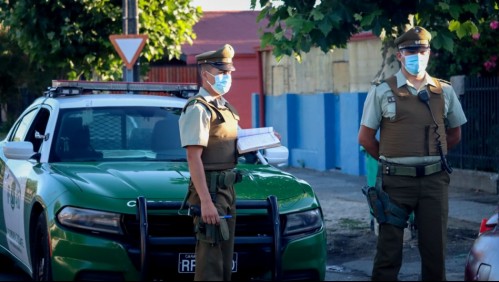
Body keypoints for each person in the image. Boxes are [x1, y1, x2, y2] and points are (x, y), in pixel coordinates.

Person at [358, 26, 467, 281]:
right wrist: (391, 160)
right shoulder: (382, 91)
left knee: (435, 252)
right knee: (388, 252)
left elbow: (455, 134)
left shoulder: (444, 91)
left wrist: (433, 155)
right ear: (399, 55)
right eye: (410, 50)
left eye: (422, 50)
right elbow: (365, 138)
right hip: (396, 183)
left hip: (433, 182)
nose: (417, 55)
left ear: (429, 53)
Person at [178, 43, 241, 281]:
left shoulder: (223, 107)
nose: (227, 77)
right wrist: (205, 202)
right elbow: (193, 157)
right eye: (221, 73)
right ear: (206, 74)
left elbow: (229, 141)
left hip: (226, 189)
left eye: (229, 73)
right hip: (211, 189)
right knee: (211, 261)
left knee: (224, 259)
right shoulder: (198, 109)